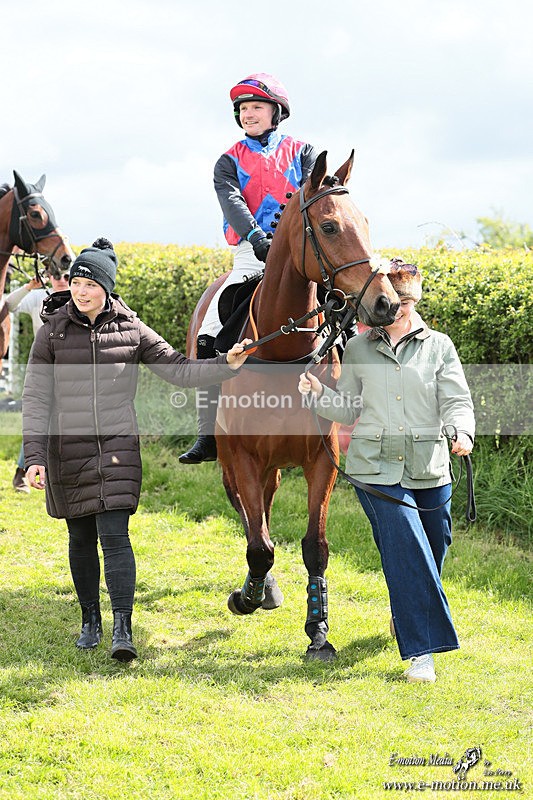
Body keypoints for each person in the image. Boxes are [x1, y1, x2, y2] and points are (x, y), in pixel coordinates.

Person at [22, 238, 250, 662]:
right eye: (76, 281)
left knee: (115, 535)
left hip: (116, 447)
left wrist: (225, 365)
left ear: (106, 288)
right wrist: (33, 457)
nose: (81, 289)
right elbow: (36, 397)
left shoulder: (131, 328)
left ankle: (122, 628)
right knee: (80, 537)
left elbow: (178, 369)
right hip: (65, 451)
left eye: (90, 282)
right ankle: (90, 619)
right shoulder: (51, 333)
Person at [298, 260, 475, 683]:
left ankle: (407, 610)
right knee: (408, 549)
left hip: (431, 467)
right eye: (396, 302)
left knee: (434, 549)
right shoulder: (358, 349)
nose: (402, 310)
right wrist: (319, 394)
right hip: (375, 470)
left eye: (408, 302)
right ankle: (422, 653)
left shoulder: (439, 346)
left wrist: (462, 431)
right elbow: (349, 408)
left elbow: (456, 399)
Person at [179, 72, 318, 465]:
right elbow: (232, 204)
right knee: (208, 333)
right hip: (250, 254)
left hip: (302, 252)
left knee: (341, 312)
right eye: (242, 109)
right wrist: (259, 240)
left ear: (276, 112)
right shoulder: (227, 161)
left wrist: (289, 244)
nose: (248, 113)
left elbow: (313, 195)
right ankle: (208, 433)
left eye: (256, 106)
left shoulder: (304, 152)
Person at [5, 269, 70, 492]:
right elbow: (8, 305)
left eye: (67, 276)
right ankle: (22, 472)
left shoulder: (81, 298)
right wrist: (29, 287)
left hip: (74, 370)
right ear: (48, 276)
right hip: (44, 367)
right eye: (57, 275)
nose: (62, 280)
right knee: (40, 417)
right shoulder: (38, 297)